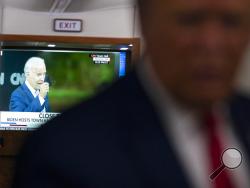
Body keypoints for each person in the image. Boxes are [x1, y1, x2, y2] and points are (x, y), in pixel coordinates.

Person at [13, 0, 250, 187]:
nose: (211, 43)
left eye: (231, 21)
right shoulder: (61, 154)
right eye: (190, 20)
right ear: (147, 22)